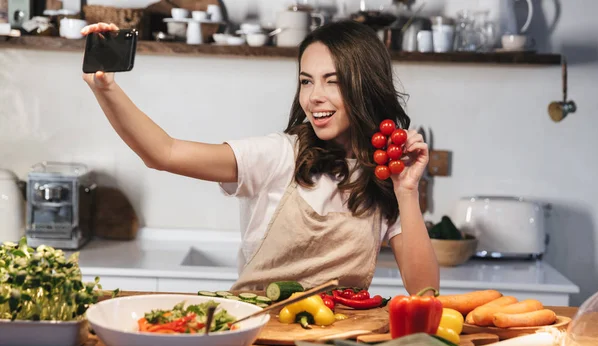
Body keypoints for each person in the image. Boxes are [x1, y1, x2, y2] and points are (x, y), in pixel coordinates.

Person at [80, 20, 439, 294]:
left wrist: (406, 190)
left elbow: (424, 291)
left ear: (365, 87)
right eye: (306, 81)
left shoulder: (383, 176)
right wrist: (105, 88)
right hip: (258, 338)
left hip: (337, 343)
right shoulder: (279, 155)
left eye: (332, 81)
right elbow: (164, 152)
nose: (314, 97)